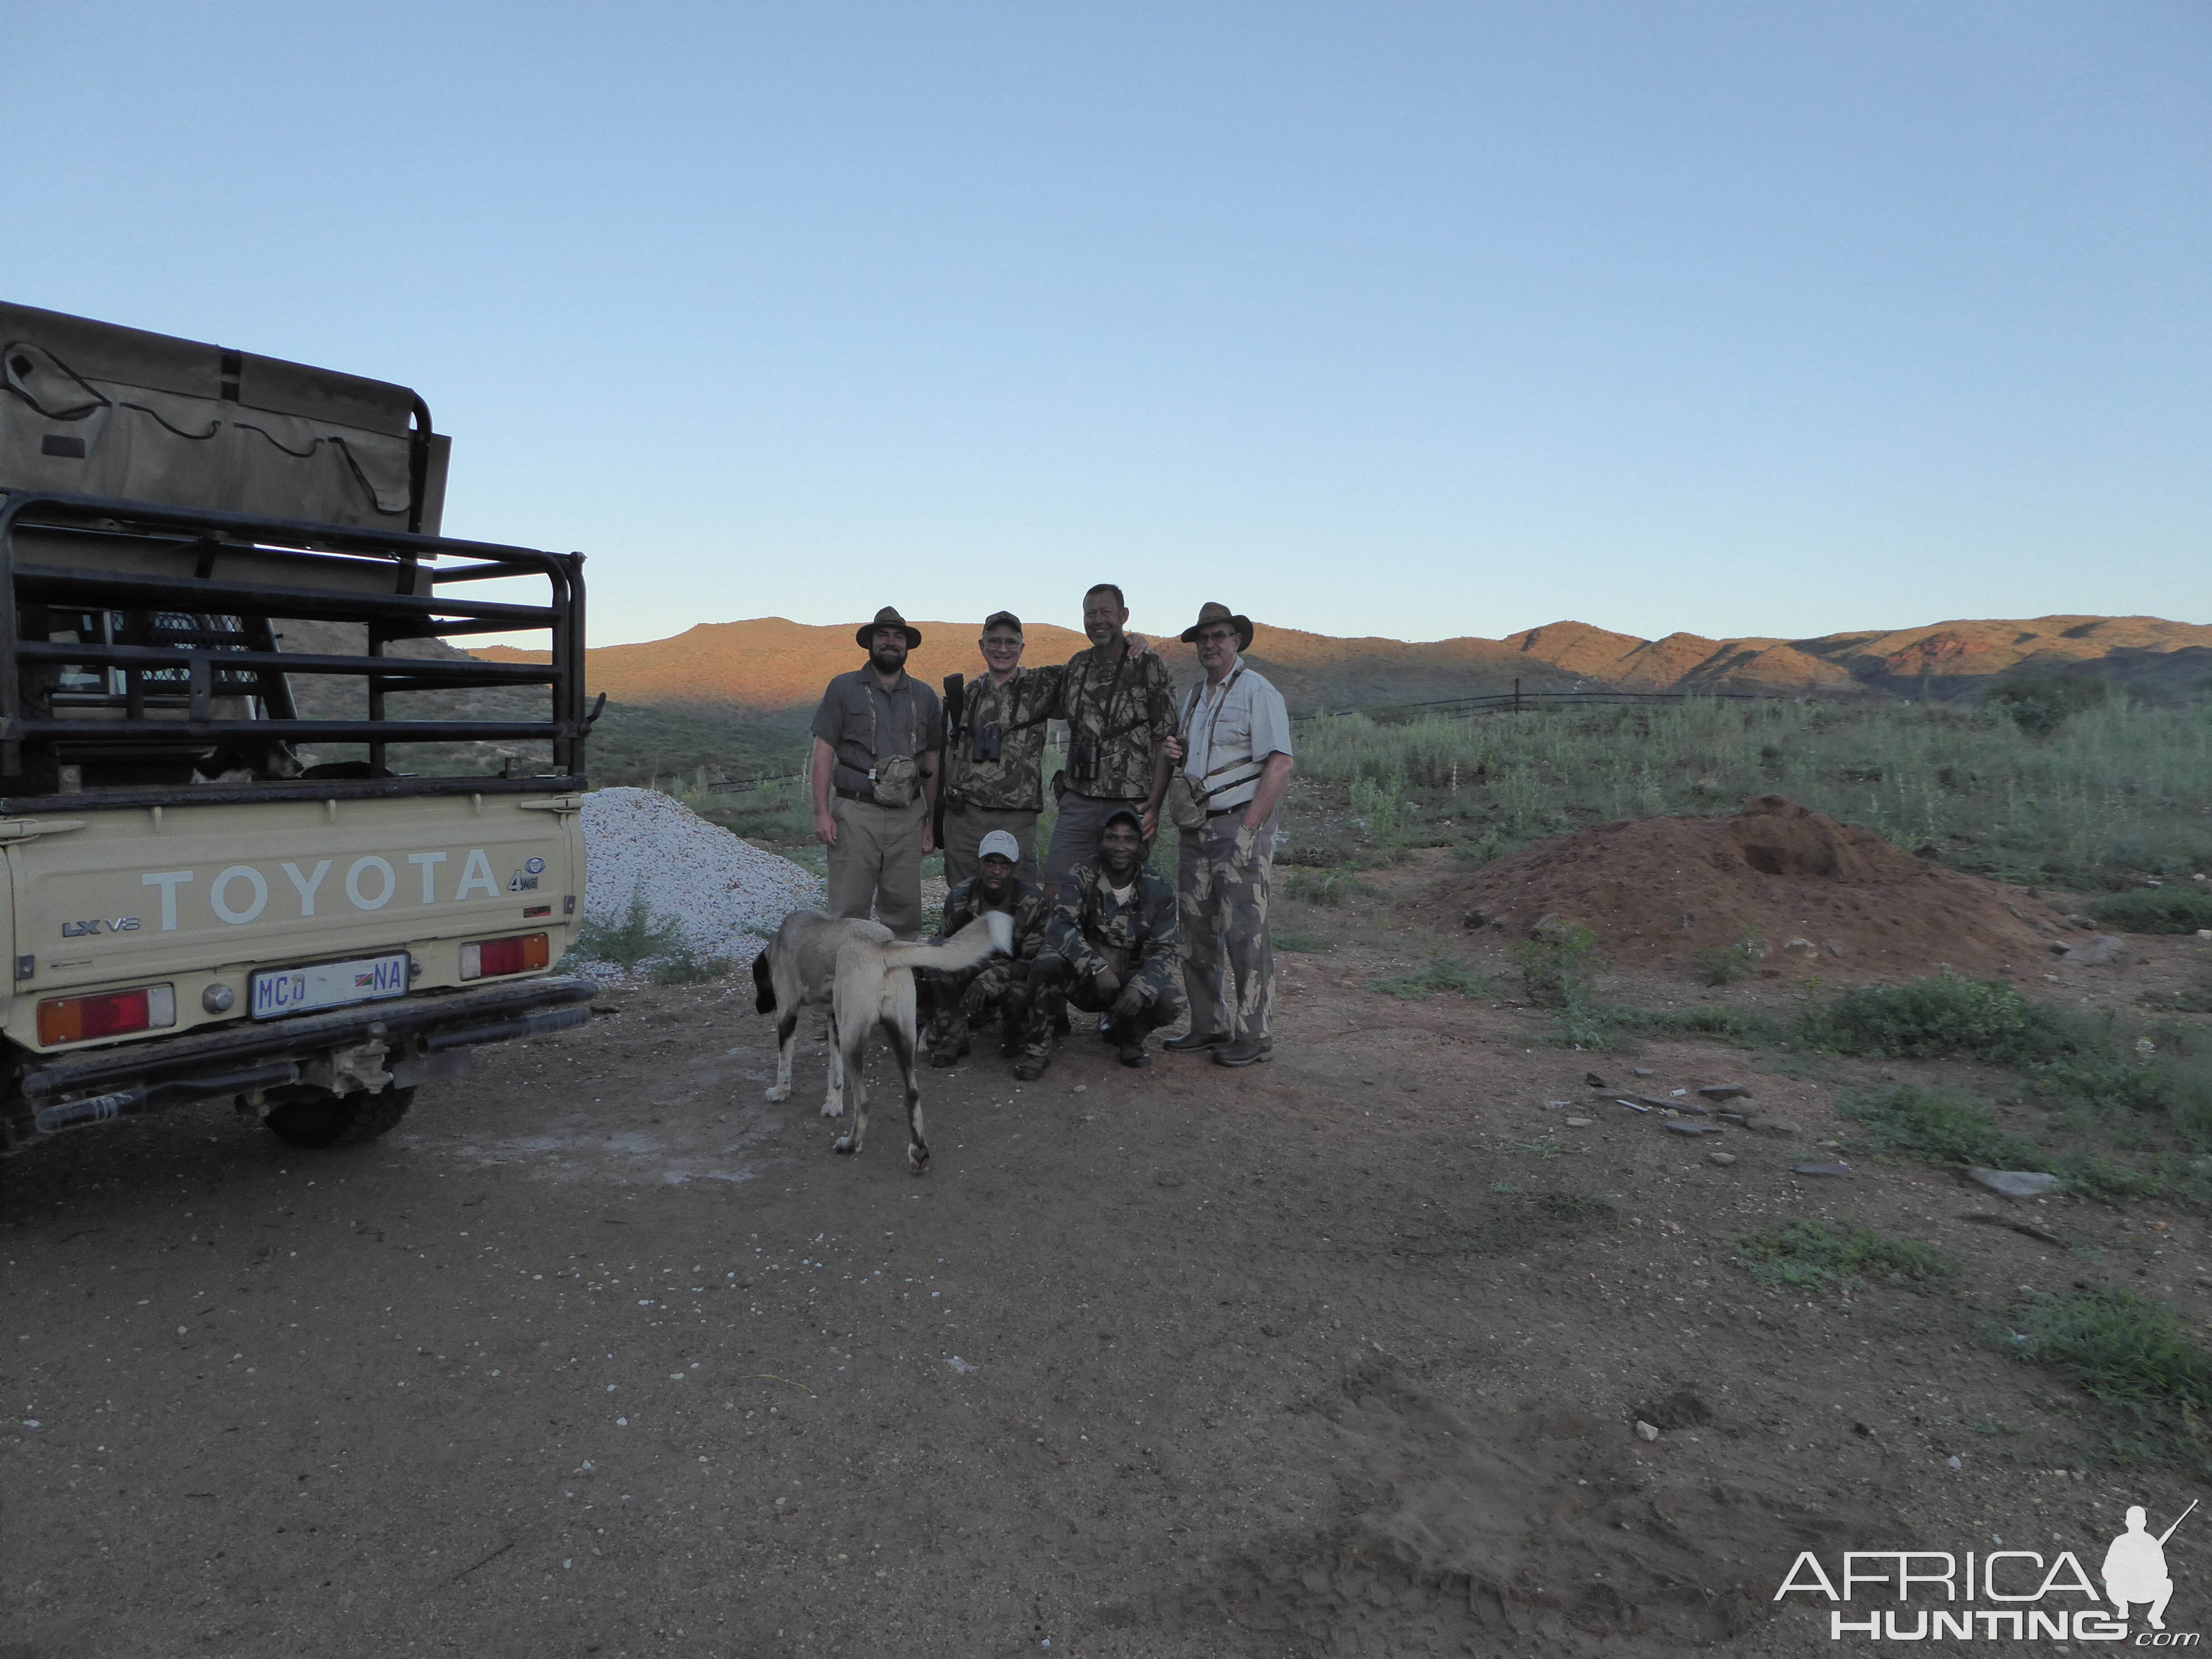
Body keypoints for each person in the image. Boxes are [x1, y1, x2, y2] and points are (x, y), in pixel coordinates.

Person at [1162, 601, 1294, 1068]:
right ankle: (1209, 1025)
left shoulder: (1259, 692)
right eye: (1204, 638)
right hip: (1196, 826)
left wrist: (1250, 828)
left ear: (1237, 641)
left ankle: (1256, 1033)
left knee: (1246, 932)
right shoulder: (1196, 696)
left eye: (1219, 636)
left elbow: (1280, 762)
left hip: (1240, 823)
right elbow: (1193, 759)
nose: (1211, 645)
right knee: (1196, 930)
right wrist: (1176, 751)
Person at [809, 606, 945, 940]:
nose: (891, 642)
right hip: (855, 814)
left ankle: (897, 986)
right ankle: (843, 986)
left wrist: (930, 821)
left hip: (907, 816)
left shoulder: (926, 696)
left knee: (904, 913)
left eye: (898, 637)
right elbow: (824, 750)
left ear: (907, 646)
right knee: (848, 910)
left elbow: (932, 759)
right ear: (870, 642)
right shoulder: (843, 688)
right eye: (883, 635)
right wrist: (822, 812)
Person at [1039, 583, 1179, 904]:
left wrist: (1154, 806)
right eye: (1091, 614)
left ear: (1123, 616)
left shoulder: (1149, 666)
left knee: (1125, 897)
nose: (1098, 620)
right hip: (1078, 799)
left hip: (1130, 804)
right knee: (1057, 890)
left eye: (1106, 613)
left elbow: (1165, 741)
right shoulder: (1076, 666)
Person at [1019, 808, 1181, 1078]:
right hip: (1084, 979)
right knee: (1046, 962)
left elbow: (1165, 950)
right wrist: (1096, 967)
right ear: (1101, 842)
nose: (1120, 847)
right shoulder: (1080, 876)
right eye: (1112, 838)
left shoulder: (1158, 888)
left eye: (1129, 839)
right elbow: (1060, 928)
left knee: (1171, 999)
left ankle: (1128, 1038)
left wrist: (1140, 989)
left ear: (1141, 845)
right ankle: (1038, 1048)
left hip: (1126, 984)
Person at [921, 829, 1050, 1068]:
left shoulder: (1032, 901)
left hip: (1013, 971)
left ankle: (1017, 1035)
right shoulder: (960, 896)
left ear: (1015, 867)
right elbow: (944, 945)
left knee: (1023, 993)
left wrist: (991, 978)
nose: (997, 870)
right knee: (935, 968)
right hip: (970, 962)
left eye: (1005, 864)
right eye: (990, 862)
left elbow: (1034, 960)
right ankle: (953, 1039)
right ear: (979, 863)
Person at [2103, 1505, 2177, 1630]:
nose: (2135, 1524)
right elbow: (2107, 1570)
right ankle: (2122, 1607)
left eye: (2139, 1521)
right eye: (2132, 1521)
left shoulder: (2152, 1542)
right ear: (2127, 1522)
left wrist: (2147, 1571)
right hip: (2123, 1589)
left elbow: (2163, 1571)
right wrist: (2124, 1572)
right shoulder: (2120, 1542)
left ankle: (2155, 1616)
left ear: (2144, 1523)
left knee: (2168, 1584)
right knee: (2111, 1583)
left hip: (2144, 1589)